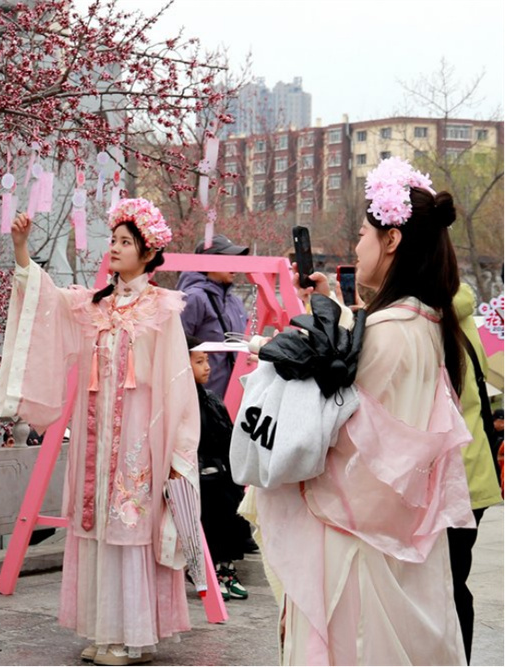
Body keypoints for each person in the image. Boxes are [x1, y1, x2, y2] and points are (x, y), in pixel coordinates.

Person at [248, 157, 474, 664]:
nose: (356, 245)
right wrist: (331, 307)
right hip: (405, 539)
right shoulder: (426, 325)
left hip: (354, 543)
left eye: (362, 233)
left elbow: (337, 435)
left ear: (391, 240)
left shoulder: (387, 332)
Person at [0, 200, 200, 666]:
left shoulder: (162, 309)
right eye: (114, 240)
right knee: (97, 524)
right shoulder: (95, 305)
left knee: (129, 527)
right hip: (94, 435)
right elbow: (44, 300)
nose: (115, 248)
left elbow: (176, 381)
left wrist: (178, 446)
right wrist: (22, 248)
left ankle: (128, 638)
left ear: (148, 254)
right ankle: (102, 630)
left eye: (126, 242)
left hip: (136, 436)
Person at [447, 284, 503, 663]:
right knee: (454, 584)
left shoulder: (424, 320)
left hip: (448, 476)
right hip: (474, 472)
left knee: (442, 588)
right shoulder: (464, 313)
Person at [185, 335, 248, 602]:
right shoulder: (182, 402)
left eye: (207, 360)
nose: (207, 367)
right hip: (197, 472)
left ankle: (226, 568)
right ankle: (208, 569)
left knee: (231, 506)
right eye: (199, 362)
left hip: (219, 469)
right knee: (211, 510)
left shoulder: (211, 398)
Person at [178, 234, 250, 399]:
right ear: (208, 261)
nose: (234, 266)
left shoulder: (235, 301)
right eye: (228, 259)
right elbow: (177, 348)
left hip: (235, 395)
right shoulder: (194, 298)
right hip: (203, 398)